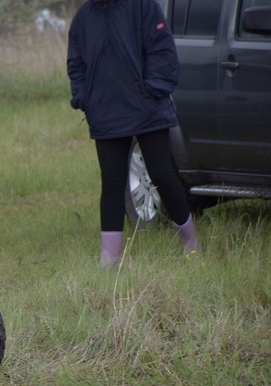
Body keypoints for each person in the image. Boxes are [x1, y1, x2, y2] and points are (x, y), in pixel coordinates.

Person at [67, 0, 200, 267]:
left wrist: (151, 90)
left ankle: (191, 247)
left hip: (147, 110)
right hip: (104, 111)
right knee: (112, 184)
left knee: (163, 175)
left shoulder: (142, 6)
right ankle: (109, 260)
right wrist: (83, 98)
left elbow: (163, 51)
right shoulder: (83, 17)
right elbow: (76, 63)